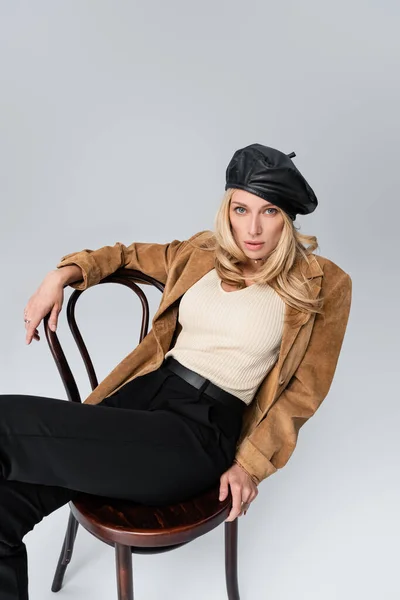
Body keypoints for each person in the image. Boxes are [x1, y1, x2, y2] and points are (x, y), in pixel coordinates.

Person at [2, 144, 352, 598]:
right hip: (142, 397)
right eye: (241, 208)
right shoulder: (202, 253)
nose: (252, 227)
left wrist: (251, 464)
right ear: (226, 208)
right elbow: (124, 255)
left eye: (269, 212)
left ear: (287, 218)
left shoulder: (323, 281)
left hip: (197, 431)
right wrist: (61, 275)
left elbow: (305, 390)